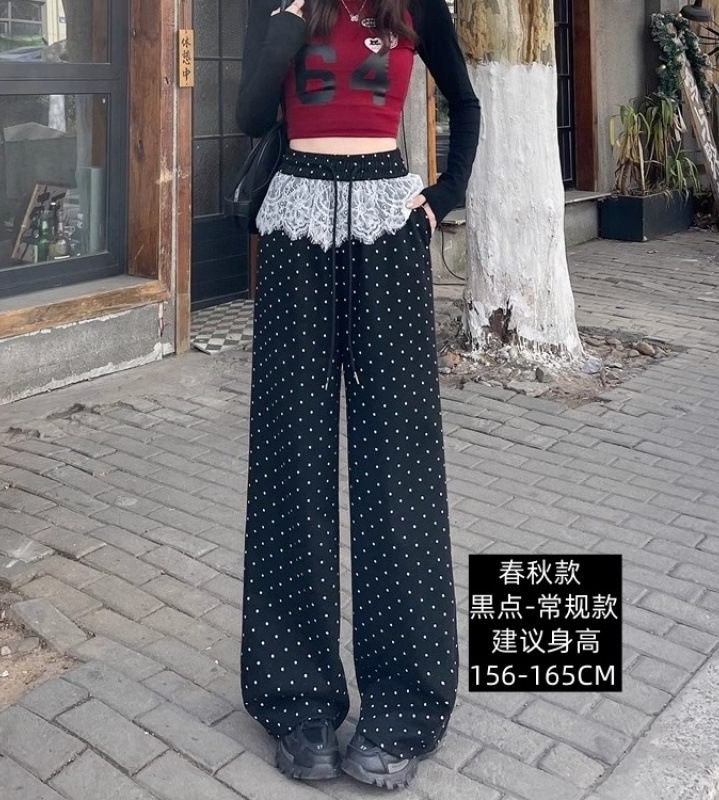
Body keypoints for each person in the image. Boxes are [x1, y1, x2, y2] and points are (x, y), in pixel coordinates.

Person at [235, 0, 480, 789]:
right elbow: (248, 115)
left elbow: (466, 102)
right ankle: (296, 700)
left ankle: (404, 705)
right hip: (295, 222)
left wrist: (443, 197)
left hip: (386, 221)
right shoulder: (278, 7)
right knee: (290, 458)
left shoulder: (413, 6)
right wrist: (288, 16)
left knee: (396, 465)